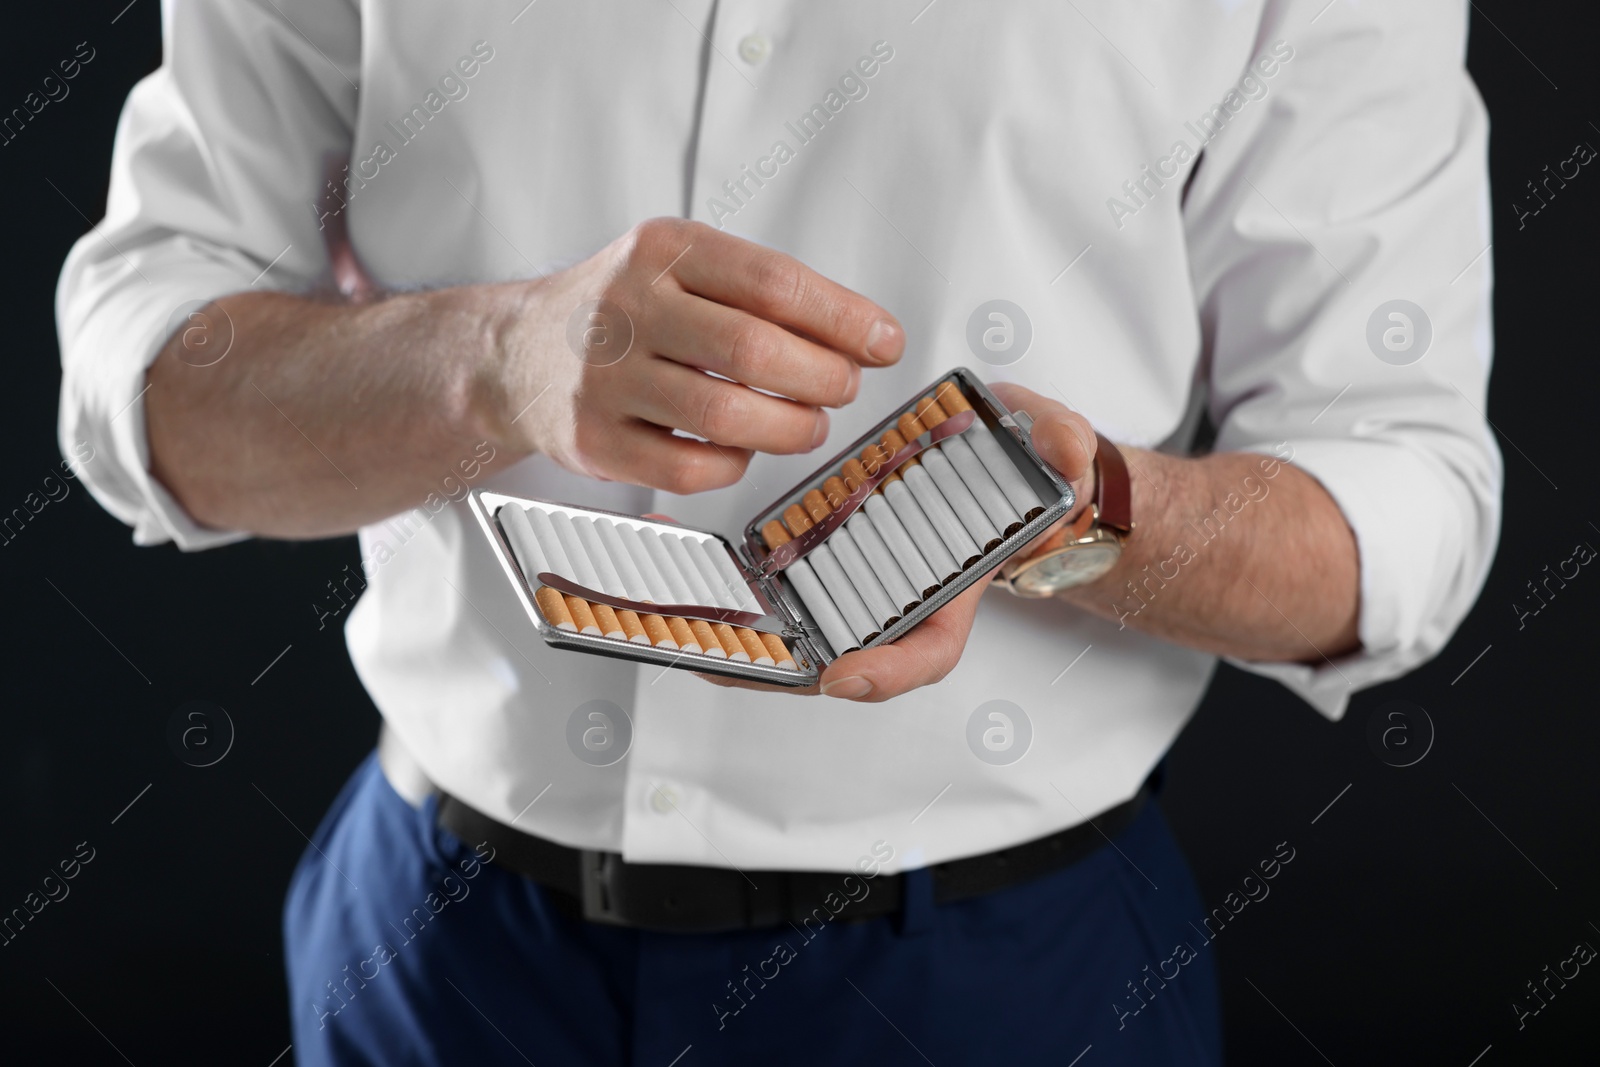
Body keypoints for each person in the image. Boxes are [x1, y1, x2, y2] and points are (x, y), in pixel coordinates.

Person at [57, 2, 1498, 1063]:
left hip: (995, 989)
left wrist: (1068, 515)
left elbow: (1401, 500)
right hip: (436, 952)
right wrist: (489, 361)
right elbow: (149, 382)